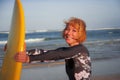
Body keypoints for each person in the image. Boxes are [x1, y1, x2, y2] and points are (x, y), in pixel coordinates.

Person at [14, 17, 91, 80]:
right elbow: (46, 53)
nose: (68, 33)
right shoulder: (69, 51)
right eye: (67, 29)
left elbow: (56, 55)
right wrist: (24, 52)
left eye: (74, 30)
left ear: (80, 34)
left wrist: (29, 58)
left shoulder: (80, 49)